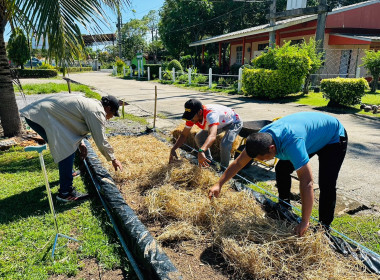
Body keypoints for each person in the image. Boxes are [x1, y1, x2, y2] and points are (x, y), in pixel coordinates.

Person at [208, 112, 347, 237]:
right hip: (312, 136)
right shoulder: (260, 139)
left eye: (262, 159)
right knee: (281, 169)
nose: (260, 161)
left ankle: (324, 226)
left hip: (333, 138)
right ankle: (284, 206)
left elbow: (307, 182)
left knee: (326, 183)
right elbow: (238, 163)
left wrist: (305, 221)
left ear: (272, 148)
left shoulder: (293, 144)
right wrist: (219, 184)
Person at [20, 94, 123, 202]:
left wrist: (81, 143)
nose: (111, 117)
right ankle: (65, 193)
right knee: (65, 148)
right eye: (112, 114)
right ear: (108, 108)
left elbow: (71, 125)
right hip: (39, 116)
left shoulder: (93, 105)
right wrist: (113, 159)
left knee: (66, 144)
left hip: (39, 114)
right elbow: (100, 140)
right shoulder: (97, 112)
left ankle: (68, 173)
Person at [169, 99, 243, 168]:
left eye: (192, 117)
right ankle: (208, 163)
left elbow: (212, 136)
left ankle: (224, 168)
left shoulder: (211, 115)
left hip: (233, 122)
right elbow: (184, 135)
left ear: (200, 112)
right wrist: (173, 149)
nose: (190, 120)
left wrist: (201, 150)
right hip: (220, 123)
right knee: (199, 137)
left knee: (225, 144)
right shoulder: (191, 117)